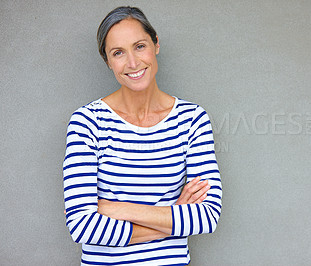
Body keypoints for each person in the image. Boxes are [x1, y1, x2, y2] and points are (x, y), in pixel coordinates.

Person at [63, 6, 222, 266]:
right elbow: (82, 226)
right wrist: (173, 217)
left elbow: (206, 217)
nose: (133, 63)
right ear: (108, 61)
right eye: (118, 53)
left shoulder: (192, 120)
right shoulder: (88, 122)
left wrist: (119, 208)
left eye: (139, 46)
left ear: (155, 44)